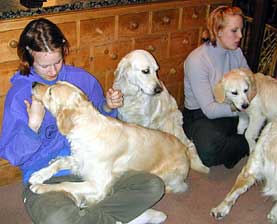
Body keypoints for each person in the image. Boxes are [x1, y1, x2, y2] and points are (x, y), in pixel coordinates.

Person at [0, 18, 166, 224]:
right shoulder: (20, 94)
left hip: (95, 165)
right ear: (28, 56)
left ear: (63, 50)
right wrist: (33, 125)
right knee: (57, 218)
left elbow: (101, 121)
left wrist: (108, 106)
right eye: (44, 65)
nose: (53, 71)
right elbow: (14, 156)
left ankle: (89, 213)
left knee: (153, 185)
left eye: (58, 61)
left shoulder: (82, 79)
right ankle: (119, 216)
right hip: (46, 175)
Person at [183, 6, 249, 169]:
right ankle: (248, 143)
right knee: (209, 149)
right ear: (218, 31)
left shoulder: (236, 52)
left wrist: (272, 82)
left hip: (233, 107)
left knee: (273, 114)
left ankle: (237, 143)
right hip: (201, 115)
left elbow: (252, 82)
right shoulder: (197, 61)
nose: (240, 36)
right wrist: (240, 108)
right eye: (234, 30)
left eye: (241, 29)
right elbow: (210, 110)